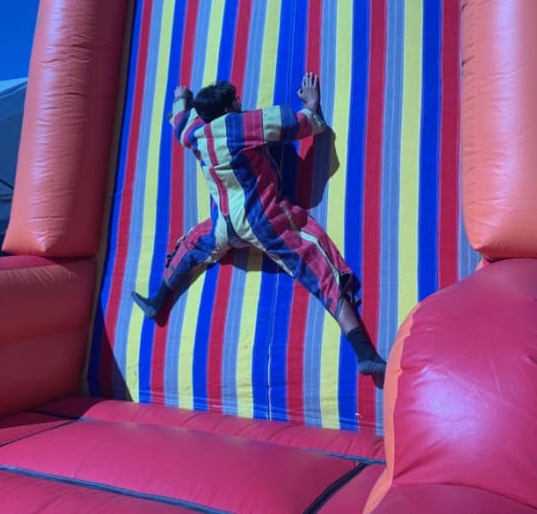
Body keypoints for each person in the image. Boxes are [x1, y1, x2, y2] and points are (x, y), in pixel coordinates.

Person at [133, 73, 386, 376]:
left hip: (224, 224)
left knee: (192, 245)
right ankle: (364, 352)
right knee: (317, 265)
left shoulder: (195, 132)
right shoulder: (240, 124)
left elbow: (179, 123)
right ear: (227, 109)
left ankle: (157, 300)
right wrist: (311, 105)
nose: (240, 102)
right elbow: (300, 125)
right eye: (235, 100)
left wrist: (179, 98)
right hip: (264, 221)